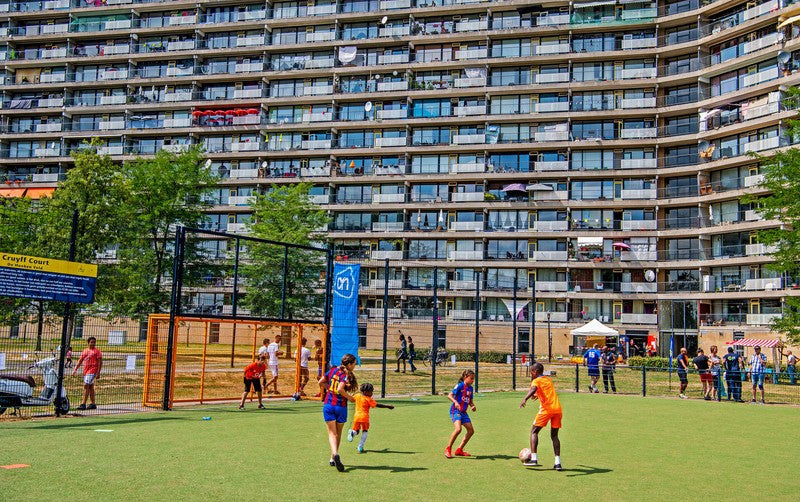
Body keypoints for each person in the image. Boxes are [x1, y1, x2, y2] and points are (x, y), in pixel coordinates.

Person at [519, 363, 563, 471]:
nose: (531, 374)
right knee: (554, 436)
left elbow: (533, 389)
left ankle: (534, 459)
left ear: (536, 372)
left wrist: (525, 398)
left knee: (534, 431)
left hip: (546, 410)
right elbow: (545, 392)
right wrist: (537, 396)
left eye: (532, 372)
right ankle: (558, 463)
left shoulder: (536, 381)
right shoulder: (548, 380)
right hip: (557, 409)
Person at [319, 353, 358, 472]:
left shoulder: (332, 370)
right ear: (349, 364)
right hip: (340, 406)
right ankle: (334, 455)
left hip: (328, 405)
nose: (354, 367)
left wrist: (330, 389)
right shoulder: (345, 374)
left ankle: (333, 456)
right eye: (354, 364)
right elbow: (340, 389)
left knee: (331, 433)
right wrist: (349, 397)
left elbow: (321, 381)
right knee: (338, 433)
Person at [347, 382, 394, 453]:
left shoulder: (357, 395)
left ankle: (352, 433)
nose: (372, 393)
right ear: (366, 392)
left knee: (356, 431)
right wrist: (387, 406)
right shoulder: (368, 399)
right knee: (365, 431)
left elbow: (351, 399)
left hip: (356, 417)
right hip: (364, 418)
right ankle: (360, 446)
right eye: (371, 392)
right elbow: (378, 405)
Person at [445, 369, 476, 459]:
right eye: (471, 378)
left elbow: (470, 400)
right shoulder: (460, 386)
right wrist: (456, 402)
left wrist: (473, 406)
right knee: (458, 429)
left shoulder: (471, 388)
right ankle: (448, 449)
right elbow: (449, 395)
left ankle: (459, 450)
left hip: (464, 413)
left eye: (473, 379)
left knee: (471, 431)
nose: (472, 381)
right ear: (465, 377)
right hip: (455, 411)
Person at [72, 336, 102, 411]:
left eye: (94, 342)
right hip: (86, 371)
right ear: (88, 343)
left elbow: (100, 362)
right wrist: (75, 369)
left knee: (86, 385)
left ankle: (83, 403)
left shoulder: (97, 352)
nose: (93, 344)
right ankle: (93, 403)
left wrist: (98, 372)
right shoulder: (85, 351)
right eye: (91, 342)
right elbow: (80, 360)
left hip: (93, 370)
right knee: (91, 387)